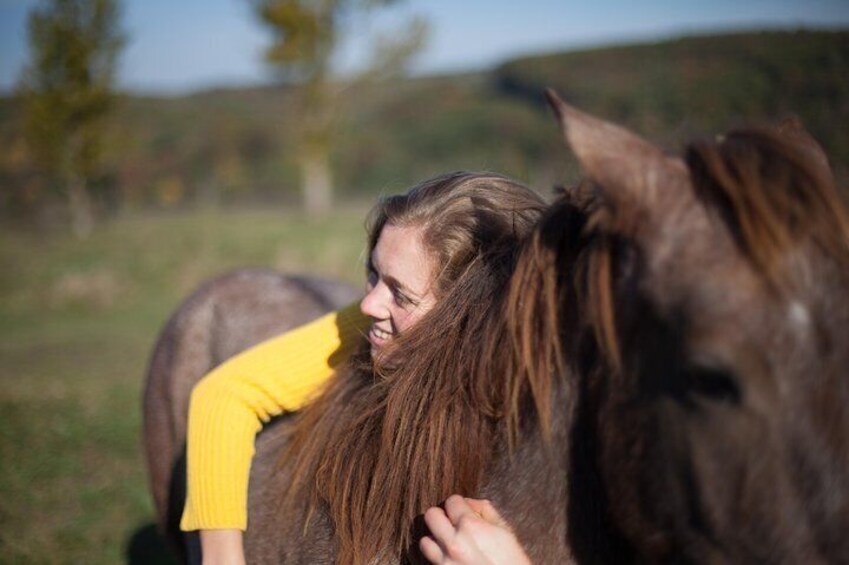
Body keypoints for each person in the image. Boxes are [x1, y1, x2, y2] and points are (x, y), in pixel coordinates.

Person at [180, 171, 545, 564]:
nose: (368, 304)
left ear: (470, 317)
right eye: (373, 274)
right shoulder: (366, 318)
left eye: (400, 294)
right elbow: (224, 394)